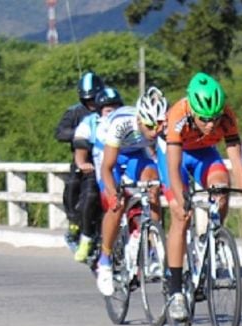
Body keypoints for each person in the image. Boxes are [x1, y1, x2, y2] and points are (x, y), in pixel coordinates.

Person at [156, 72, 242, 322]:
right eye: (205, 119)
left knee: (221, 189)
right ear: (193, 110)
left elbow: (236, 161)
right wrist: (180, 196)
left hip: (204, 153)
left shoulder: (227, 117)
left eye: (215, 119)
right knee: (180, 215)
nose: (211, 125)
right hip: (175, 155)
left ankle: (213, 238)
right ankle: (175, 292)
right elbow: (173, 168)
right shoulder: (177, 115)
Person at [96, 86, 167, 296]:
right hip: (110, 153)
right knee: (115, 205)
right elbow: (106, 168)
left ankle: (153, 246)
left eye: (159, 126)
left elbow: (165, 164)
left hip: (136, 153)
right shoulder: (122, 124)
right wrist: (113, 192)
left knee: (153, 185)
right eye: (150, 126)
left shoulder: (161, 127)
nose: (155, 131)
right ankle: (105, 261)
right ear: (140, 119)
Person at [71, 86, 125, 263]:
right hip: (97, 171)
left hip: (123, 169)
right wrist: (82, 163)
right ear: (100, 111)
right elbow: (80, 142)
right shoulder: (91, 123)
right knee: (90, 196)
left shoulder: (125, 122)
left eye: (116, 109)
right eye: (109, 110)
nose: (112, 114)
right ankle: (86, 236)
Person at [55, 71, 105, 250]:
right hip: (84, 159)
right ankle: (74, 221)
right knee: (72, 185)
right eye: (87, 99)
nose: (91, 103)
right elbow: (60, 132)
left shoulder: (108, 108)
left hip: (108, 159)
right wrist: (82, 135)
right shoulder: (74, 111)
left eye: (94, 98)